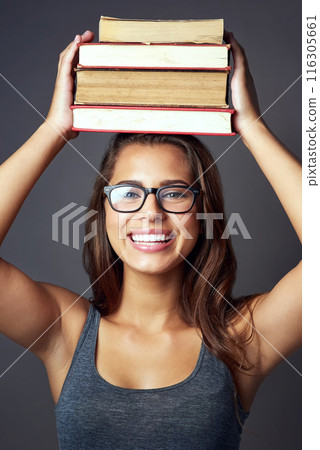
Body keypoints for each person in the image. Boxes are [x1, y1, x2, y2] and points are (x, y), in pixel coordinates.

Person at [0, 29, 301, 449]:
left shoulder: (240, 339)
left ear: (202, 212)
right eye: (128, 193)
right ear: (103, 212)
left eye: (175, 193)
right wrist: (55, 127)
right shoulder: (64, 331)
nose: (151, 212)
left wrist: (249, 125)